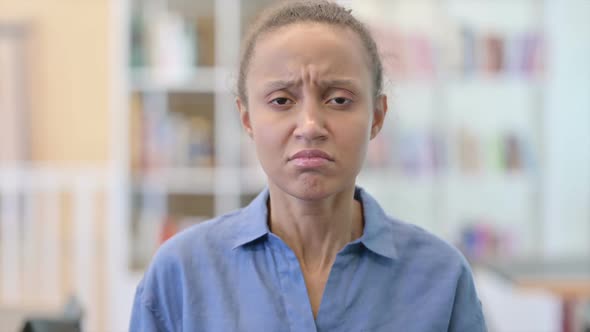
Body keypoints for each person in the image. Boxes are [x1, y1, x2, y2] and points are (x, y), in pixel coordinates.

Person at [129, 1, 487, 331]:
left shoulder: (441, 278)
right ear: (247, 118)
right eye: (282, 100)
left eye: (339, 99)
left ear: (377, 116)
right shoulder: (181, 273)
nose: (311, 125)